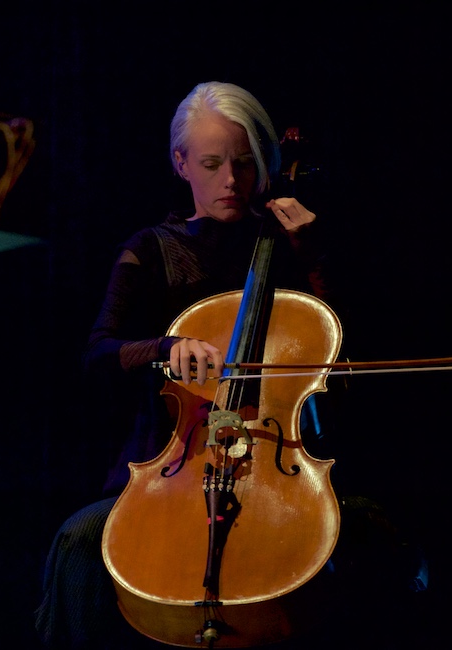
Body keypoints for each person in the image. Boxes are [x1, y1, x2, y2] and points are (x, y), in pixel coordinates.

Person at [35, 81, 425, 650]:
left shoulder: (293, 243)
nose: (232, 181)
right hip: (172, 470)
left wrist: (313, 257)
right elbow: (98, 352)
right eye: (213, 164)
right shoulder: (150, 249)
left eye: (245, 163)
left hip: (281, 465)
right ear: (180, 163)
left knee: (376, 536)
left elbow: (347, 357)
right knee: (78, 541)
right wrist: (167, 349)